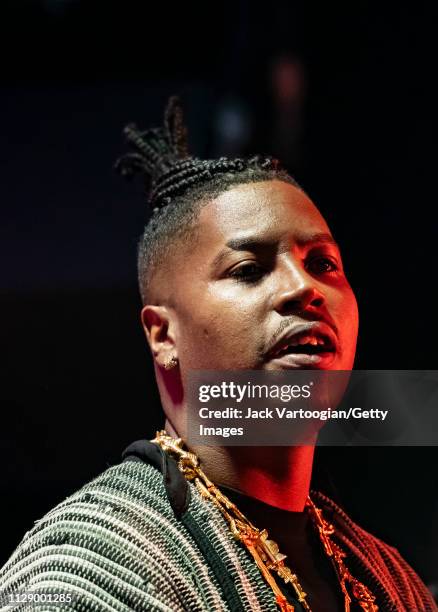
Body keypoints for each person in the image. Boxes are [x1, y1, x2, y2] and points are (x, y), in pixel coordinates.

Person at [0, 97, 435, 612]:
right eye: (249, 269)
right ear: (163, 335)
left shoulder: (390, 579)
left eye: (323, 262)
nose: (305, 289)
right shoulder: (91, 569)